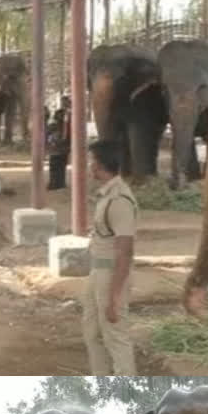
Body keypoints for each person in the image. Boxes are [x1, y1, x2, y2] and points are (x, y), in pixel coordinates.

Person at [82, 139, 138, 375]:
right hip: (97, 271)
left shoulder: (119, 201)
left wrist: (114, 298)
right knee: (93, 334)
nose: (88, 166)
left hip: (110, 274)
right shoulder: (107, 195)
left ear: (99, 165)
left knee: (115, 336)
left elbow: (125, 252)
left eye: (91, 161)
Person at [46, 95, 71, 190]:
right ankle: (54, 183)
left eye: (66, 102)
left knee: (60, 164)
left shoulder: (71, 114)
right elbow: (50, 129)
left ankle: (59, 183)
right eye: (63, 102)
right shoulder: (59, 113)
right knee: (55, 164)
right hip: (58, 143)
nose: (64, 104)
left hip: (63, 143)